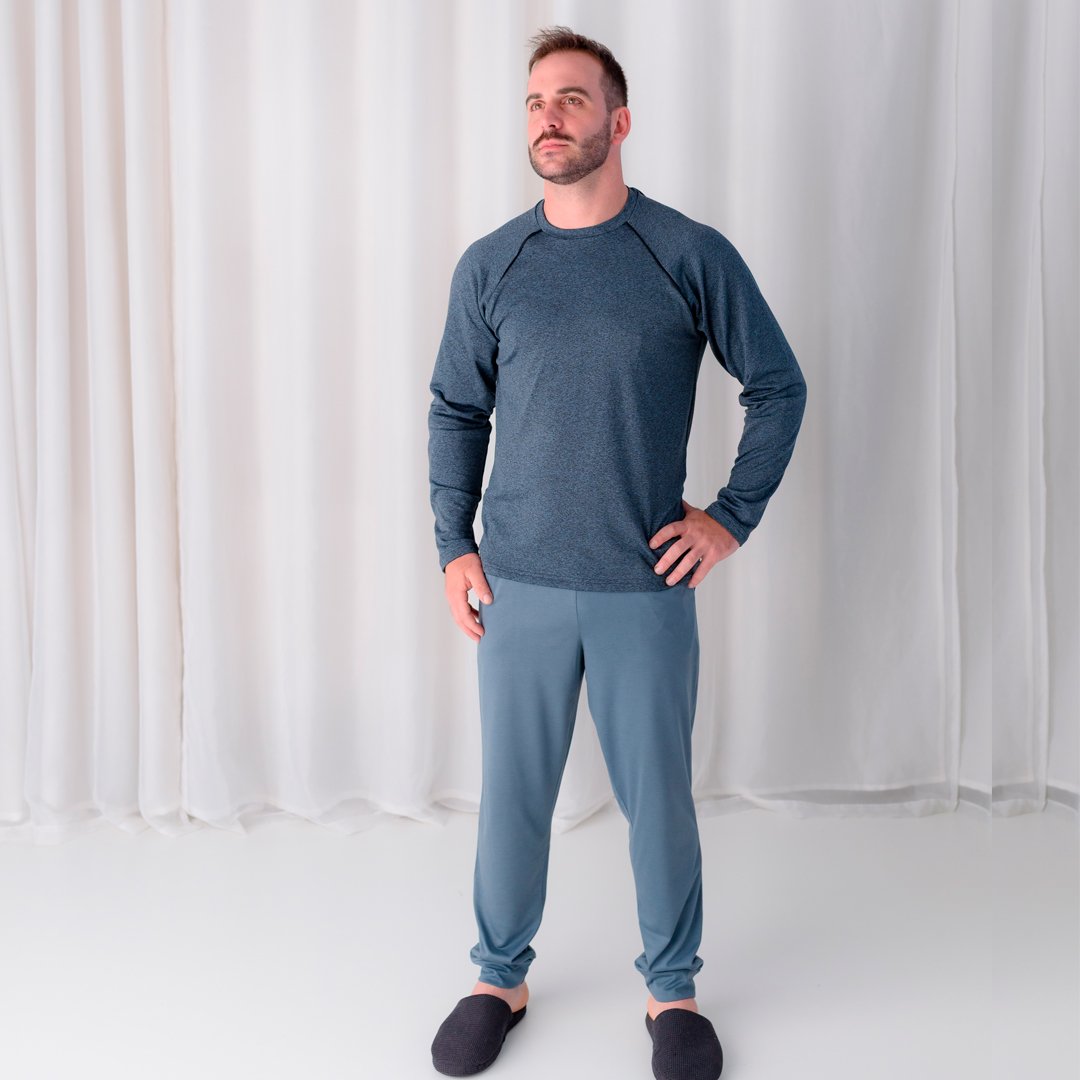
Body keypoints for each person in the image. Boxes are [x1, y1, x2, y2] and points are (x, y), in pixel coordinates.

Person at [427, 25, 806, 1080]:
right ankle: (498, 978)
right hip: (518, 583)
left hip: (644, 583)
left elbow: (778, 386)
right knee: (513, 795)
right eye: (536, 101)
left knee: (658, 801)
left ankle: (671, 991)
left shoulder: (685, 253)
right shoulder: (492, 264)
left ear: (619, 120)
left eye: (572, 99)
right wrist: (453, 545)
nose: (549, 117)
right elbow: (456, 408)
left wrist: (729, 517)